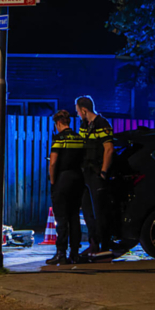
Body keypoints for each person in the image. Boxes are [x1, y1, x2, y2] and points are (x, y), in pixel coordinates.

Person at [75, 95, 120, 259]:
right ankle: (93, 243)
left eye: (78, 111)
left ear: (84, 110)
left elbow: (109, 149)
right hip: (85, 173)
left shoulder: (102, 124)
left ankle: (105, 246)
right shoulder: (84, 125)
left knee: (101, 211)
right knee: (87, 210)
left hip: (96, 174)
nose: (78, 114)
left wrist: (103, 172)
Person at [46, 110, 85, 265]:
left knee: (61, 218)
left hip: (62, 180)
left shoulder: (59, 138)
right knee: (74, 217)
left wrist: (53, 182)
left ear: (59, 123)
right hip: (78, 179)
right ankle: (75, 253)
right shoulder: (79, 138)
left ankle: (61, 253)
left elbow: (53, 163)